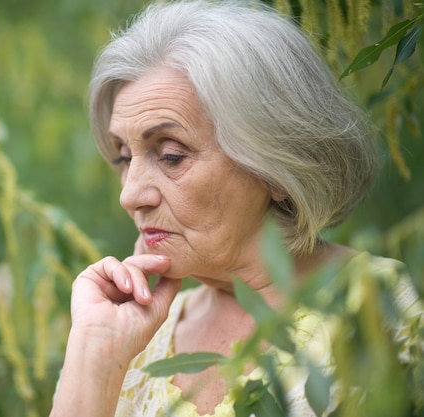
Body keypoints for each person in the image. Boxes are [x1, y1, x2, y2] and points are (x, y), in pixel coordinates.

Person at [50, 1, 423, 416]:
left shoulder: (381, 312)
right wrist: (95, 352)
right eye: (123, 157)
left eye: (171, 155)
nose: (130, 194)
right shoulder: (133, 339)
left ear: (277, 166)